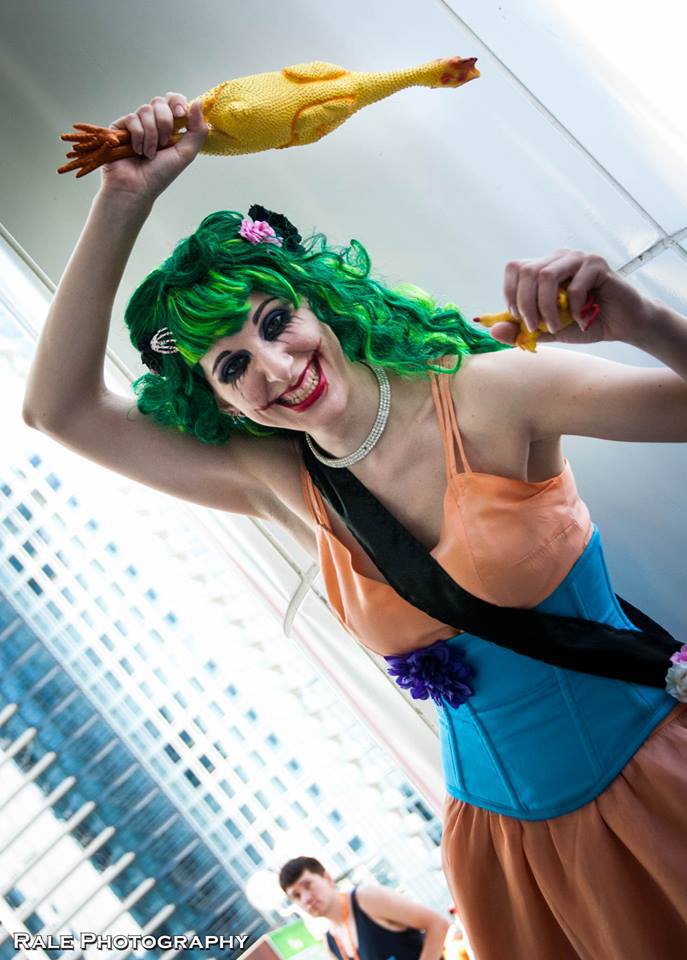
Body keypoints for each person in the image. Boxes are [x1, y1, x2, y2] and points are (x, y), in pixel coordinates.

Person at [23, 93, 687, 959]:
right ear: (219, 401)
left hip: (651, 788)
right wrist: (123, 198)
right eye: (232, 365)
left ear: (317, 303)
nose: (275, 366)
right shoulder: (280, 482)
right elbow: (60, 409)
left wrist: (641, 321)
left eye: (275, 322)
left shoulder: (483, 394)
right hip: (507, 853)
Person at [278, 856, 449, 960]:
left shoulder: (366, 898)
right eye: (296, 895)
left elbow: (438, 924)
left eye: (308, 885)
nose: (306, 898)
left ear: (327, 878)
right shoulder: (331, 942)